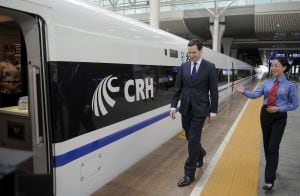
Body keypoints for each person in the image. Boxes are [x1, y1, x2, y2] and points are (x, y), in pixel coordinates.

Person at [234, 57, 299, 191]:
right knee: (267, 145)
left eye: (276, 65)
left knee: (273, 147)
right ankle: (272, 167)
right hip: (265, 115)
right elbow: (255, 95)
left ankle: (269, 179)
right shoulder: (267, 83)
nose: (273, 68)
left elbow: (294, 104)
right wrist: (244, 92)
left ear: (284, 67)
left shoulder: (291, 85)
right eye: (272, 66)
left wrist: (279, 109)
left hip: (279, 117)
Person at [170, 39, 218, 187]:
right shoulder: (184, 66)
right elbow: (178, 88)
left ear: (201, 50)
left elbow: (214, 91)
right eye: (189, 53)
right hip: (185, 108)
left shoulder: (209, 67)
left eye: (194, 52)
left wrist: (213, 111)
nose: (191, 55)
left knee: (193, 140)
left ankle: (188, 174)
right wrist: (173, 106)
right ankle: (201, 153)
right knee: (190, 137)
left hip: (201, 109)